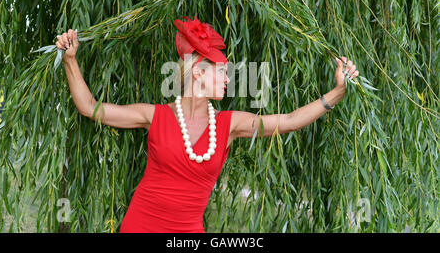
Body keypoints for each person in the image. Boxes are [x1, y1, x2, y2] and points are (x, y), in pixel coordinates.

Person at [55, 16, 359, 233]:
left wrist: (337, 92)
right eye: (222, 71)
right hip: (141, 225)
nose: (228, 78)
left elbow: (289, 121)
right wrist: (70, 59)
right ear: (199, 73)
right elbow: (90, 108)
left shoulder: (228, 125)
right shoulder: (155, 116)